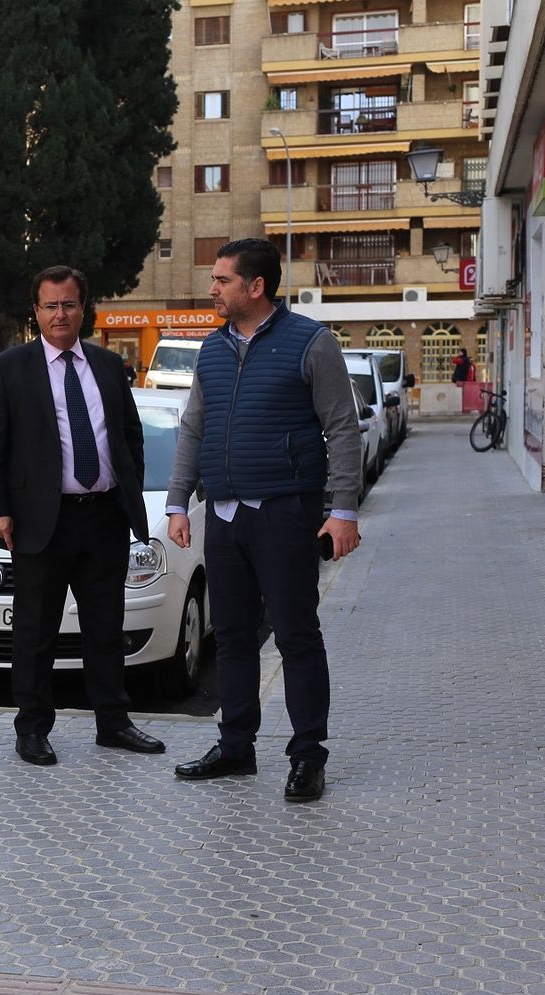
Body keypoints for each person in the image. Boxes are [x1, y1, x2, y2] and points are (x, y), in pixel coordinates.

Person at [165, 238, 362, 803]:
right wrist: (179, 502)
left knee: (297, 636)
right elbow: (193, 429)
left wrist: (342, 510)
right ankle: (236, 746)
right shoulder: (213, 348)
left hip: (284, 512)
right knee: (230, 636)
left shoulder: (310, 342)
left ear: (255, 286)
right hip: (224, 514)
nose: (213, 289)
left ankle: (307, 757)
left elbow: (342, 429)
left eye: (222, 280)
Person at [0, 265, 166, 766]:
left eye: (69, 304)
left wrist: (128, 492)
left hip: (103, 517)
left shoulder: (106, 365)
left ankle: (114, 722)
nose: (61, 314)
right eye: (50, 306)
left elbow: (129, 435)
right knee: (35, 631)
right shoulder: (9, 368)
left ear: (84, 308)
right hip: (42, 522)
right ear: (35, 311)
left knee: (106, 627)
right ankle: (33, 728)